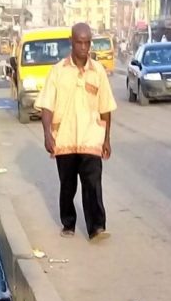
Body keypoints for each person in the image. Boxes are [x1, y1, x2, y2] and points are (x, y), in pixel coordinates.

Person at [37, 22, 116, 241]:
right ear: (71, 42)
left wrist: (107, 139)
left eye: (87, 42)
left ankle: (97, 227)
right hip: (65, 137)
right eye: (79, 42)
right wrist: (47, 134)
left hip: (91, 137)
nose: (83, 47)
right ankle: (68, 223)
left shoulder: (98, 71)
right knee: (68, 184)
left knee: (93, 183)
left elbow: (106, 107)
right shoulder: (58, 71)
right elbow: (46, 105)